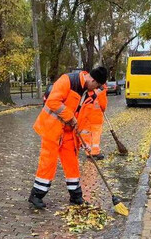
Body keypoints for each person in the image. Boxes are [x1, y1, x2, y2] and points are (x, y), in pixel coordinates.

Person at [29, 66, 108, 209]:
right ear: (93, 79)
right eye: (96, 86)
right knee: (48, 162)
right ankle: (36, 195)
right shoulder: (68, 80)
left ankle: (76, 195)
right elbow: (53, 102)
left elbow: (83, 117)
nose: (94, 89)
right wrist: (70, 117)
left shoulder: (89, 93)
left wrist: (82, 138)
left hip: (69, 131)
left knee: (72, 161)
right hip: (51, 128)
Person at [77, 83, 108, 161]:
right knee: (96, 135)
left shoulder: (87, 88)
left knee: (86, 134)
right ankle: (95, 152)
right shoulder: (102, 91)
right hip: (96, 118)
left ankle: (88, 152)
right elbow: (103, 105)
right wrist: (102, 109)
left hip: (86, 117)